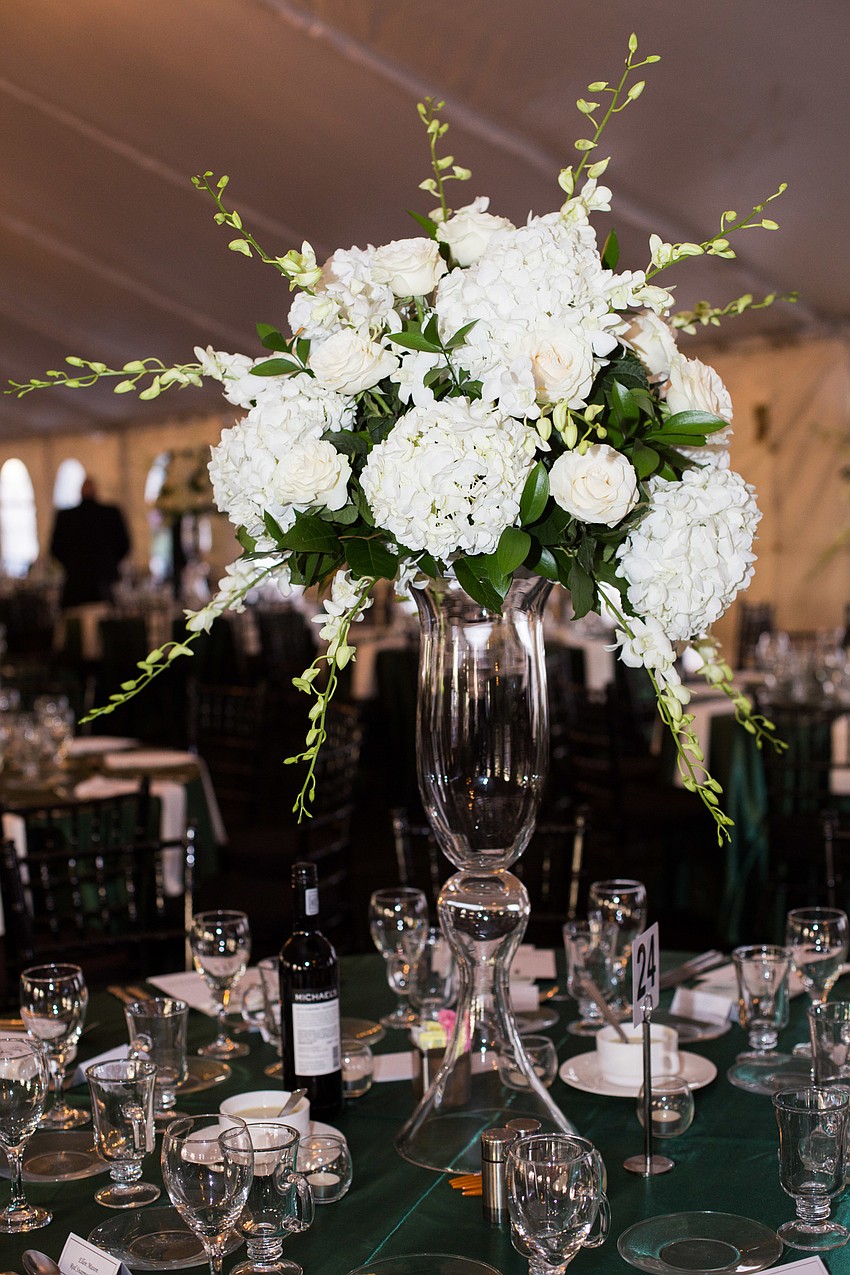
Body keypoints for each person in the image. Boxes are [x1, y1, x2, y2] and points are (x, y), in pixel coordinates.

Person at [49, 476, 131, 608]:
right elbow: (124, 546)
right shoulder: (110, 514)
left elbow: (56, 549)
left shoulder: (67, 518)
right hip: (103, 584)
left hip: (76, 586)